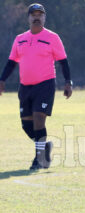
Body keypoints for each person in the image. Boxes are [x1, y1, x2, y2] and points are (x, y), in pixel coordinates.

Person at [0, 3, 72, 170]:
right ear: (29, 18)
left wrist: (68, 82)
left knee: (39, 118)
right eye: (33, 14)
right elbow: (11, 63)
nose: (37, 17)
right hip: (25, 87)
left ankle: (39, 159)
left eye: (40, 14)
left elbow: (63, 62)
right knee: (27, 125)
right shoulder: (20, 39)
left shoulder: (53, 37)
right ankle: (45, 146)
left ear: (44, 18)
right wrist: (2, 80)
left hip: (45, 84)